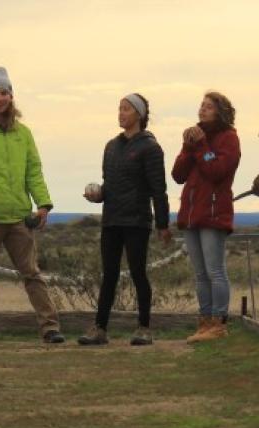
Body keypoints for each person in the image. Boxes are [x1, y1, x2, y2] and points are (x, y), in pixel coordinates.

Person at [0, 66, 65, 345]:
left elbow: (34, 171)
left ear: (11, 96)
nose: (0, 98)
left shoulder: (24, 134)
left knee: (32, 274)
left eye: (4, 92)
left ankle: (50, 327)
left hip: (19, 216)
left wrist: (43, 204)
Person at [78, 93, 171, 346]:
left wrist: (162, 224)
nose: (121, 113)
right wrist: (97, 196)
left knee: (138, 273)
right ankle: (99, 328)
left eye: (127, 109)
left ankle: (144, 328)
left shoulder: (151, 148)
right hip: (112, 220)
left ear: (139, 115)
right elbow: (110, 185)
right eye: (119, 108)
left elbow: (158, 190)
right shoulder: (111, 146)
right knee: (109, 274)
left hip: (137, 221)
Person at [171, 90, 241, 343]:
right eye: (201, 105)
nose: (202, 110)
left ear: (221, 111)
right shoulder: (195, 139)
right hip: (191, 213)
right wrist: (188, 147)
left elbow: (216, 170)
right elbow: (178, 174)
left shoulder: (229, 138)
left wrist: (200, 146)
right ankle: (204, 321)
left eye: (209, 106)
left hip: (213, 213)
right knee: (200, 273)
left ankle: (218, 323)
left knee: (215, 271)